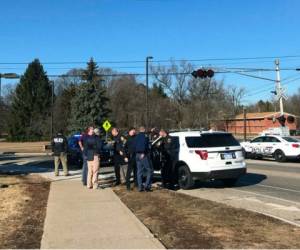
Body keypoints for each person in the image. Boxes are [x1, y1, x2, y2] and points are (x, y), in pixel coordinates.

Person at [135, 126, 152, 192]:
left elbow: (134, 146)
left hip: (137, 155)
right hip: (143, 155)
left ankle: (140, 187)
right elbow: (145, 145)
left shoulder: (136, 137)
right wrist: (143, 153)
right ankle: (146, 186)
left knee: (139, 171)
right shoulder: (145, 136)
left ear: (139, 130)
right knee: (149, 170)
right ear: (144, 130)